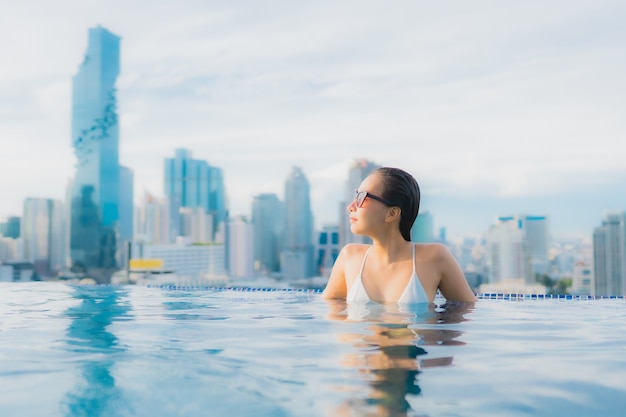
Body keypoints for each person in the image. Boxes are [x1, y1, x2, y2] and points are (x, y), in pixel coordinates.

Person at [322, 167, 477, 304]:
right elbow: (331, 315)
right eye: (355, 196)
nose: (351, 206)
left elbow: (466, 312)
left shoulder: (435, 257)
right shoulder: (349, 257)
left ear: (392, 213)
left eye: (362, 197)